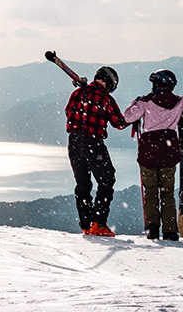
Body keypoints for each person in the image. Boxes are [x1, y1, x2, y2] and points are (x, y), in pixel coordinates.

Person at [123, 69, 183, 241]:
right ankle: (170, 231)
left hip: (148, 151)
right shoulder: (179, 102)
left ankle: (152, 228)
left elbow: (128, 117)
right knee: (167, 193)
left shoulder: (145, 102)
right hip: (169, 150)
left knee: (150, 191)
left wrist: (134, 102)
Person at [65, 66, 129, 237]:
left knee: (83, 183)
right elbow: (119, 123)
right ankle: (98, 223)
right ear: (110, 82)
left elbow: (68, 112)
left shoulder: (77, 93)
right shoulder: (105, 98)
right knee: (107, 179)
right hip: (92, 141)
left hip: (73, 142)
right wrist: (133, 115)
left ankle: (86, 224)